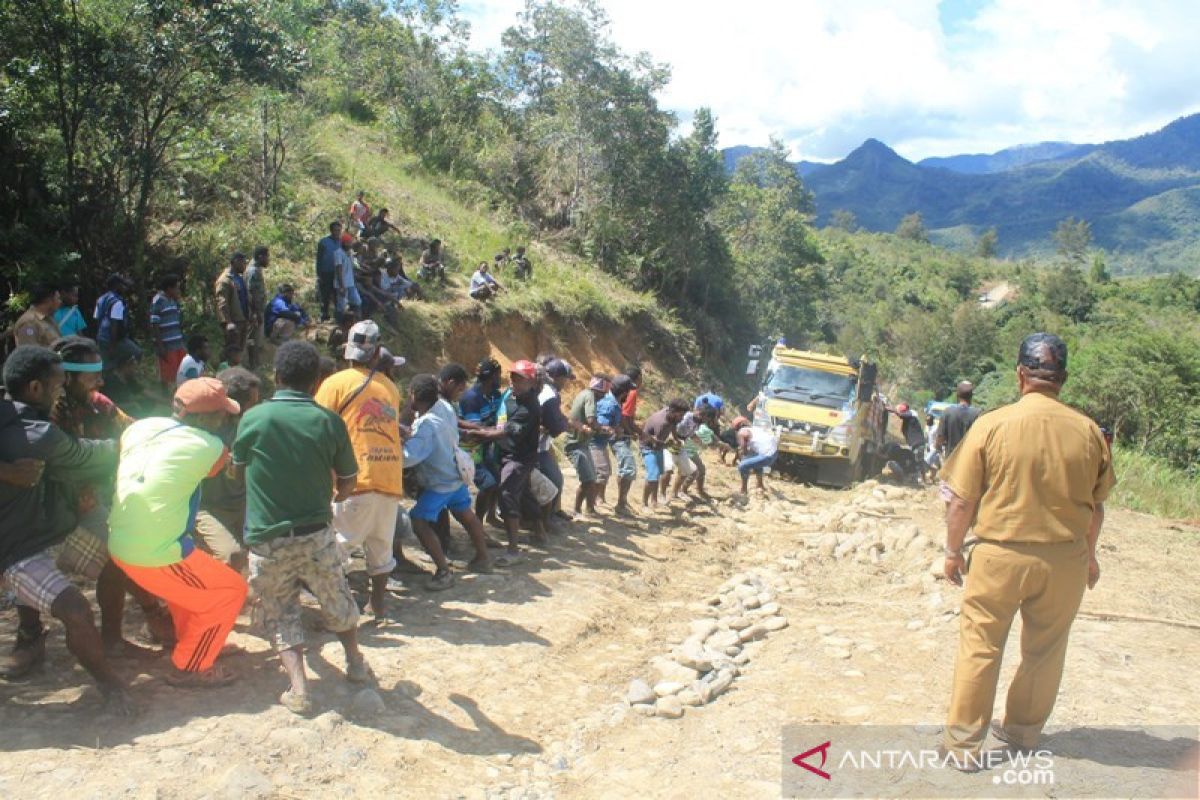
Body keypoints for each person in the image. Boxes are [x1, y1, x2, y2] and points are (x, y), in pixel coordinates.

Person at [939, 333, 1114, 770]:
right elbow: (1096, 507)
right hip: (1065, 559)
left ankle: (962, 746)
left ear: (1020, 375)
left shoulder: (992, 424)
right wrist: (1089, 556)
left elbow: (961, 501)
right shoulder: (1089, 431)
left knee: (981, 645)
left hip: (1000, 555)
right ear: (1064, 380)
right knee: (1046, 648)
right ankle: (1021, 731)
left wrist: (952, 551)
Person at [232, 340, 372, 715]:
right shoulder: (329, 422)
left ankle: (299, 689)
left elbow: (237, 467)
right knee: (335, 596)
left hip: (267, 537)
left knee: (280, 610)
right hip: (315, 533)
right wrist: (330, 496)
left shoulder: (254, 418)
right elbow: (347, 481)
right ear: (315, 383)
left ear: (276, 377)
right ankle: (356, 663)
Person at [0, 346, 135, 711]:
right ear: (34, 389)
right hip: (18, 549)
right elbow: (90, 455)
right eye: (57, 386)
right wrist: (137, 444)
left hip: (49, 533)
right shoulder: (38, 434)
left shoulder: (12, 414)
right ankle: (112, 687)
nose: (61, 393)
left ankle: (111, 641)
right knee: (75, 610)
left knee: (116, 557)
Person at [108, 378, 248, 688]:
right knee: (230, 592)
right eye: (221, 414)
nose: (225, 419)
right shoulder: (210, 447)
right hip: (157, 552)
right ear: (204, 418)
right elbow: (219, 468)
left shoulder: (140, 427)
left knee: (191, 592)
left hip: (122, 541)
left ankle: (197, 642)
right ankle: (191, 667)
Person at [48, 336, 174, 654]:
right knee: (115, 556)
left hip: (87, 501)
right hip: (47, 508)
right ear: (67, 377)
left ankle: (124, 632)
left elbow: (132, 430)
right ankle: (31, 635)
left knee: (121, 552)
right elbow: (63, 464)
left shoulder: (96, 403)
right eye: (92, 377)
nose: (100, 382)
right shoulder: (47, 413)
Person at [314, 320, 401, 618]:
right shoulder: (390, 387)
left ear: (348, 352)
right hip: (389, 478)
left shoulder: (335, 384)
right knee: (380, 548)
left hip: (355, 480)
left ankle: (337, 610)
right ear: (376, 353)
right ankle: (377, 603)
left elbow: (320, 427)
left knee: (337, 549)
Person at [403, 371, 495, 588]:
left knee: (418, 520)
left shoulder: (426, 424)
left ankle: (444, 572)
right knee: (466, 515)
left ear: (414, 396)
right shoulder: (444, 408)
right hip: (454, 475)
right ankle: (483, 558)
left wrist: (395, 447)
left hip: (439, 483)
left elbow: (410, 457)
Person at [470, 360, 544, 565]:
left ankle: (513, 551)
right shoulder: (509, 396)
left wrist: (477, 434)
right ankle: (540, 532)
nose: (513, 382)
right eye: (512, 377)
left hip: (519, 458)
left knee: (507, 493)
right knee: (524, 493)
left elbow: (505, 430)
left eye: (519, 379)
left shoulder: (529, 406)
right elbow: (498, 421)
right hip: (504, 453)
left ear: (530, 382)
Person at [193, 367, 260, 572]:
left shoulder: (248, 425)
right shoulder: (201, 430)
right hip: (208, 506)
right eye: (252, 404)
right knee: (233, 555)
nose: (255, 408)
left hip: (241, 502)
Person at [459, 358, 504, 528]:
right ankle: (477, 523)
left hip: (486, 447)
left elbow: (499, 420)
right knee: (488, 484)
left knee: (498, 481)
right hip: (471, 449)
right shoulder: (471, 398)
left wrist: (496, 429)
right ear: (491, 376)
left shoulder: (494, 395)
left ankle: (491, 517)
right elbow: (476, 432)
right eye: (498, 375)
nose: (500, 379)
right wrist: (500, 432)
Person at [536, 359, 573, 521]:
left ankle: (550, 515)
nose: (566, 383)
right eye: (565, 378)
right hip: (536, 447)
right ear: (557, 377)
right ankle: (547, 519)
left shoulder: (543, 390)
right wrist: (564, 424)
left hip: (539, 444)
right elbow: (555, 426)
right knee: (555, 480)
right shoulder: (551, 394)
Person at [564, 376, 606, 515]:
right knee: (588, 479)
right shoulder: (590, 397)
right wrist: (603, 429)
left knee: (590, 479)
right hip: (576, 444)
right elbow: (591, 420)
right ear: (598, 390)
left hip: (582, 443)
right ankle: (578, 510)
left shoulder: (584, 393)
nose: (603, 397)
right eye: (603, 393)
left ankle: (588, 509)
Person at [639, 399, 689, 509]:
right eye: (681, 415)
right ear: (674, 411)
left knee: (657, 474)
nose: (682, 418)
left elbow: (673, 426)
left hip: (658, 447)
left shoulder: (671, 416)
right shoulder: (661, 422)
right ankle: (644, 504)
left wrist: (676, 439)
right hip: (649, 447)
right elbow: (656, 443)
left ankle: (654, 501)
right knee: (652, 476)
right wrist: (668, 445)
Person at [592, 376, 627, 507]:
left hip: (601, 443)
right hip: (595, 442)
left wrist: (617, 429)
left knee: (606, 471)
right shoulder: (609, 404)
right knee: (601, 472)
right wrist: (614, 430)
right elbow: (600, 427)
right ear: (624, 392)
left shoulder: (615, 403)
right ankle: (591, 503)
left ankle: (598, 499)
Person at [149, 274, 187, 392]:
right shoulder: (158, 300)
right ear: (169, 289)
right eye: (176, 287)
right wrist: (160, 345)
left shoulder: (173, 301)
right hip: (167, 345)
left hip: (177, 342)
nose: (178, 290)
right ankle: (165, 396)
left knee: (180, 371)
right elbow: (154, 323)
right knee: (167, 374)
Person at [608, 374, 638, 515]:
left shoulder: (616, 401)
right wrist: (627, 430)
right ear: (623, 391)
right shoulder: (612, 402)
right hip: (616, 438)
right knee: (628, 468)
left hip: (617, 436)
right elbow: (625, 417)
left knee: (624, 468)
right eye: (627, 390)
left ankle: (622, 502)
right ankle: (620, 504)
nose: (629, 393)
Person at [214, 251, 251, 353]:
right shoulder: (224, 280)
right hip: (234, 322)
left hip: (242, 319)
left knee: (240, 350)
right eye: (243, 263)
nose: (245, 266)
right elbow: (222, 303)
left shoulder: (239, 278)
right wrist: (228, 322)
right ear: (236, 262)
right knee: (232, 350)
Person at [935, 381, 981, 460]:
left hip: (952, 460)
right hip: (971, 460)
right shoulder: (978, 413)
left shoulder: (947, 412)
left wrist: (937, 446)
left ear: (957, 395)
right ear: (971, 396)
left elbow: (940, 438)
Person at [95, 273, 136, 361]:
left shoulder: (100, 299)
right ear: (117, 285)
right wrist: (112, 346)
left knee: (106, 366)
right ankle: (124, 371)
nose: (125, 288)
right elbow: (114, 324)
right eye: (123, 285)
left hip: (101, 337)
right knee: (137, 353)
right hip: (113, 340)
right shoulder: (117, 302)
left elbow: (97, 320)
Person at [735, 418, 779, 495]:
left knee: (742, 466)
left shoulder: (742, 432)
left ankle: (743, 489)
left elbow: (744, 452)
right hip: (774, 453)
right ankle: (760, 484)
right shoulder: (755, 429)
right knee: (756, 459)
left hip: (767, 456)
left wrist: (741, 455)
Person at [244, 246, 269, 369]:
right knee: (253, 338)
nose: (268, 260)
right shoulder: (253, 271)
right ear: (260, 257)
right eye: (266, 257)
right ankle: (253, 365)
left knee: (256, 338)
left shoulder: (256, 269)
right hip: (254, 311)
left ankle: (255, 363)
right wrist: (256, 312)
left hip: (257, 310)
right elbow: (251, 293)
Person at [315, 220, 343, 321]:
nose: (337, 232)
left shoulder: (342, 242)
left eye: (339, 230)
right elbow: (319, 259)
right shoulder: (323, 242)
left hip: (338, 273)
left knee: (337, 294)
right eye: (335, 230)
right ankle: (324, 314)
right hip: (326, 272)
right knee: (325, 294)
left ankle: (338, 315)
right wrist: (319, 274)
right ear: (331, 231)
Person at [334, 233, 362, 317]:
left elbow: (353, 266)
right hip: (341, 284)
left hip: (351, 283)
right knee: (342, 306)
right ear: (345, 243)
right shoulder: (338, 253)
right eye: (350, 242)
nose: (351, 244)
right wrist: (342, 286)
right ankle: (339, 322)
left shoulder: (350, 253)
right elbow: (339, 270)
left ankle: (355, 321)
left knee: (357, 302)